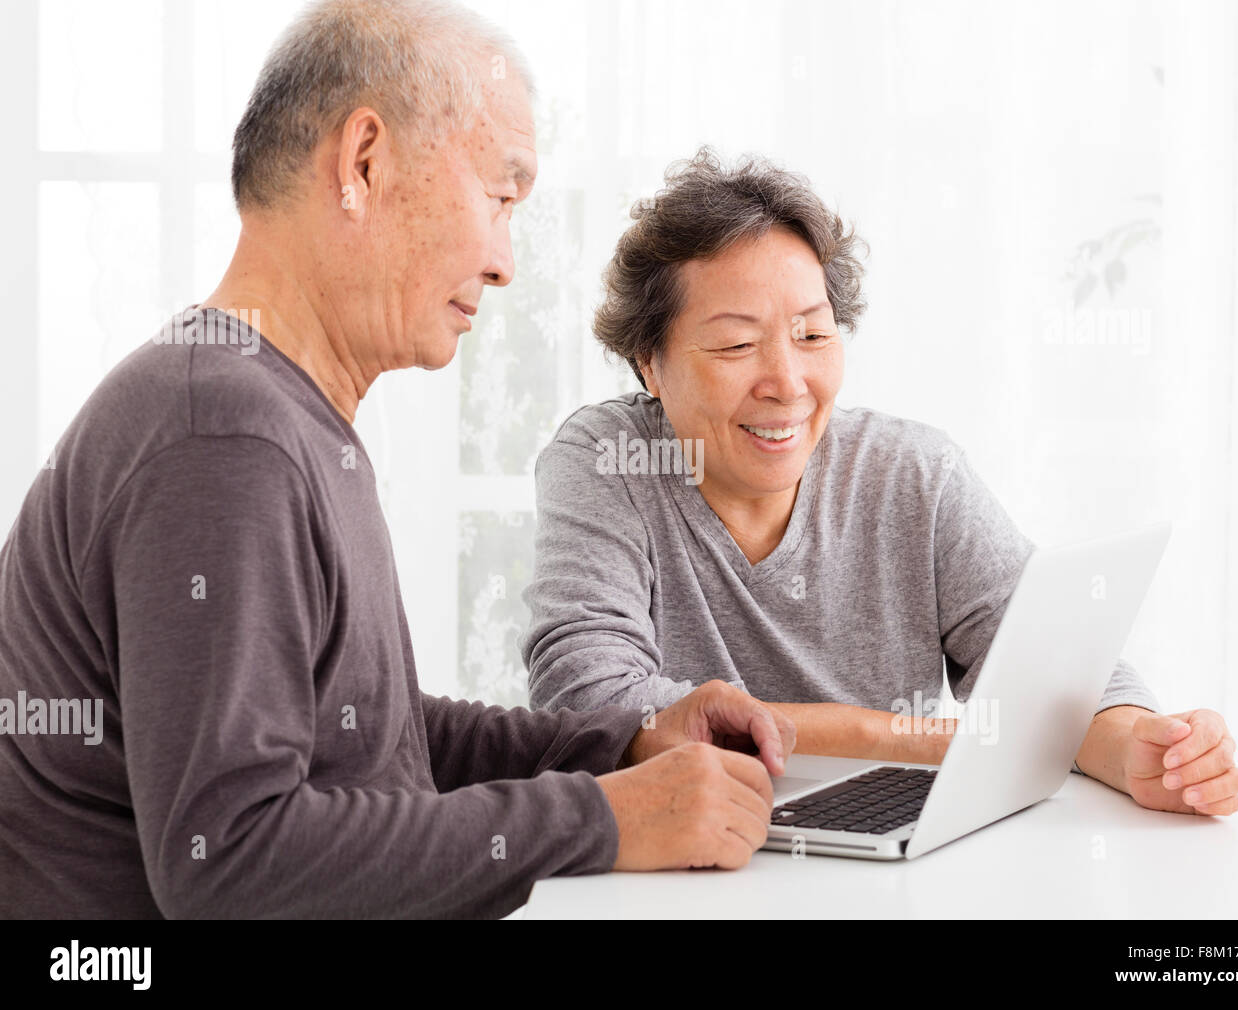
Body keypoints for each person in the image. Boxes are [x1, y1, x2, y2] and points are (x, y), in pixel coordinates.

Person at [0, 0, 798, 921]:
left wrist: (621, 747)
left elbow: (376, 738)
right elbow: (227, 863)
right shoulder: (224, 441)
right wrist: (603, 817)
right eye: (500, 196)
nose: (504, 263)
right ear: (365, 163)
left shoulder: (265, 408)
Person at [522, 148, 1238, 818]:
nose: (788, 383)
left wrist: (1143, 749)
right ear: (649, 362)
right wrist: (923, 742)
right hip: (679, 866)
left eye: (813, 335)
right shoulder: (606, 461)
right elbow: (592, 703)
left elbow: (1057, 674)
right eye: (738, 344)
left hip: (889, 861)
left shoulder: (912, 476)